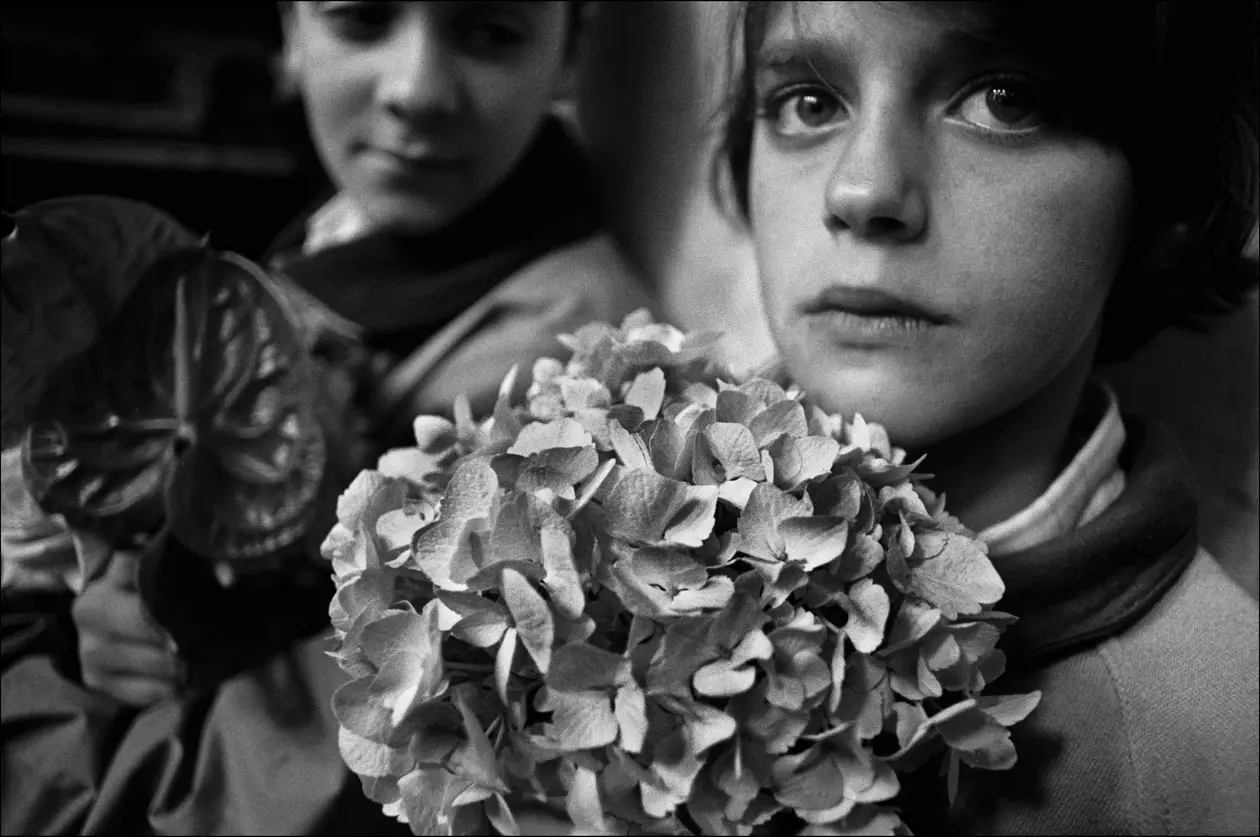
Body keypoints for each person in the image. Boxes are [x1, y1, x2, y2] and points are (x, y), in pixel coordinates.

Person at [1, 2, 654, 834]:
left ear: (570, 59)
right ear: (290, 33)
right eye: (361, 19)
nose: (416, 90)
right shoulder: (351, 224)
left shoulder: (555, 385)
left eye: (490, 32)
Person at [713, 1, 1258, 834]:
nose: (861, 191)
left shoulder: (1222, 744)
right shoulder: (582, 529)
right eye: (810, 104)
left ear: (1170, 200)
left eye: (1005, 99)